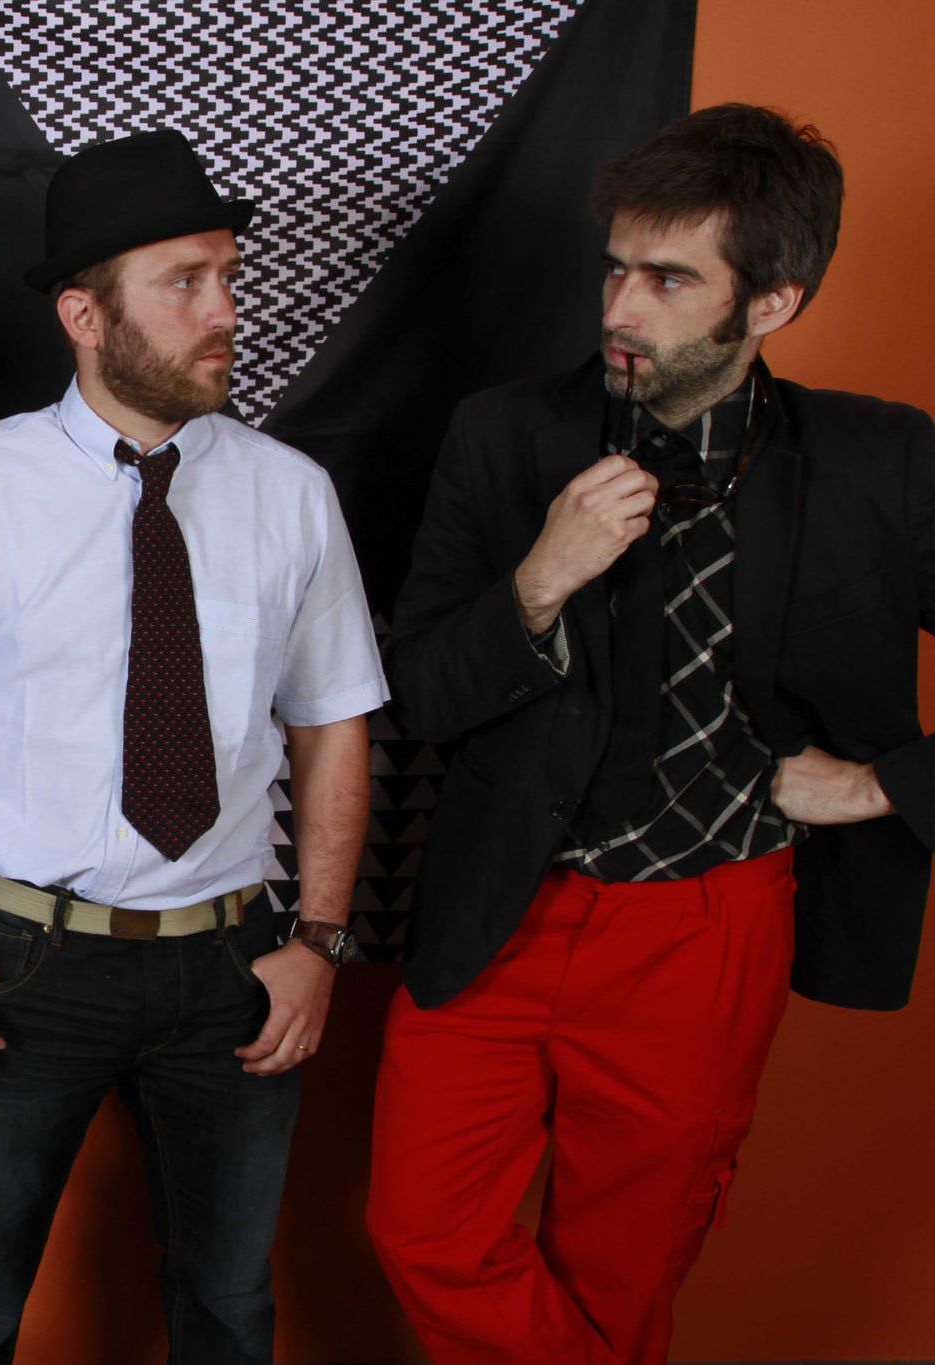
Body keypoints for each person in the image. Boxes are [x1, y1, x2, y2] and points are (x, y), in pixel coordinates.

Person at [369, 103, 935, 1363]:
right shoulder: (502, 433)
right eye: (614, 268)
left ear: (771, 302)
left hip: (705, 929)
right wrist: (536, 582)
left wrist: (883, 785)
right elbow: (420, 696)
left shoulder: (879, 461)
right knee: (422, 1234)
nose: (619, 308)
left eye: (668, 280)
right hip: (502, 905)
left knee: (623, 1275)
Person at [0, 130, 386, 1364]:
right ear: (83, 315)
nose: (225, 312)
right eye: (183, 282)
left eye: (227, 276)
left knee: (228, 1303)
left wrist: (317, 942)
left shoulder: (290, 494)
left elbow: (332, 728)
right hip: (19, 964)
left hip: (231, 964)